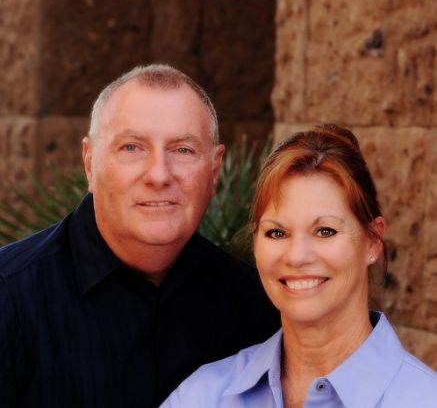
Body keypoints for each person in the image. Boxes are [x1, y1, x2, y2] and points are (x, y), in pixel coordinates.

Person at [0, 64, 279, 408]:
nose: (159, 174)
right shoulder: (9, 296)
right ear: (89, 163)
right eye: (132, 147)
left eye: (182, 150)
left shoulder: (255, 305)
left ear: (214, 170)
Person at [161, 124, 437, 408]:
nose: (296, 256)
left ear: (373, 241)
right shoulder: (201, 396)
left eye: (325, 231)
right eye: (277, 233)